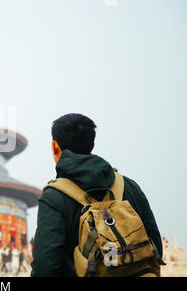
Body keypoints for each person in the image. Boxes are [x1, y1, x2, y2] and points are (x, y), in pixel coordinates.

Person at [31, 113, 163, 277]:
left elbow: (46, 267)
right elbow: (155, 245)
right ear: (92, 144)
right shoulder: (129, 187)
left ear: (54, 146)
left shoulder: (54, 197)